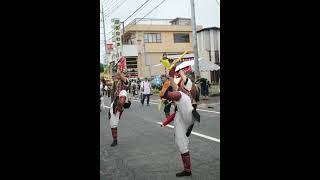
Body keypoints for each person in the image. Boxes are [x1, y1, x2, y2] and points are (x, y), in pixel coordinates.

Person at [159, 81, 196, 177]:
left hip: (185, 120)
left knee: (182, 144)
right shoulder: (182, 94)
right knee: (181, 143)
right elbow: (174, 114)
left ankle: (187, 170)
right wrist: (164, 123)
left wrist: (165, 94)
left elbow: (171, 95)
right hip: (184, 118)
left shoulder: (179, 95)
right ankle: (187, 169)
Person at [108, 56, 131, 147]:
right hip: (114, 102)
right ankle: (115, 140)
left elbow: (121, 76)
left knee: (123, 94)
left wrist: (119, 68)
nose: (116, 76)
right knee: (113, 123)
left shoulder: (125, 80)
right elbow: (109, 84)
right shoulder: (115, 82)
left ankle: (120, 107)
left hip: (122, 99)